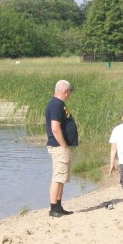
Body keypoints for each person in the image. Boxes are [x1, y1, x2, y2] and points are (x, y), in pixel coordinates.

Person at [45, 79, 78, 218]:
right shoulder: (55, 105)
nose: (69, 94)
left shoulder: (59, 104)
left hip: (62, 146)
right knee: (58, 177)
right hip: (59, 146)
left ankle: (58, 205)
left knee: (62, 177)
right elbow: (55, 128)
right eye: (69, 91)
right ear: (65, 91)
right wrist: (63, 145)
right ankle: (53, 208)